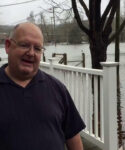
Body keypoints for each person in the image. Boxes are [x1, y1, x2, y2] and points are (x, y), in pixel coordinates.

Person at [0, 22, 85, 150]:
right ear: (8, 46)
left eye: (37, 48)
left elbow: (73, 136)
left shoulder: (57, 89)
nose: (31, 53)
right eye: (24, 45)